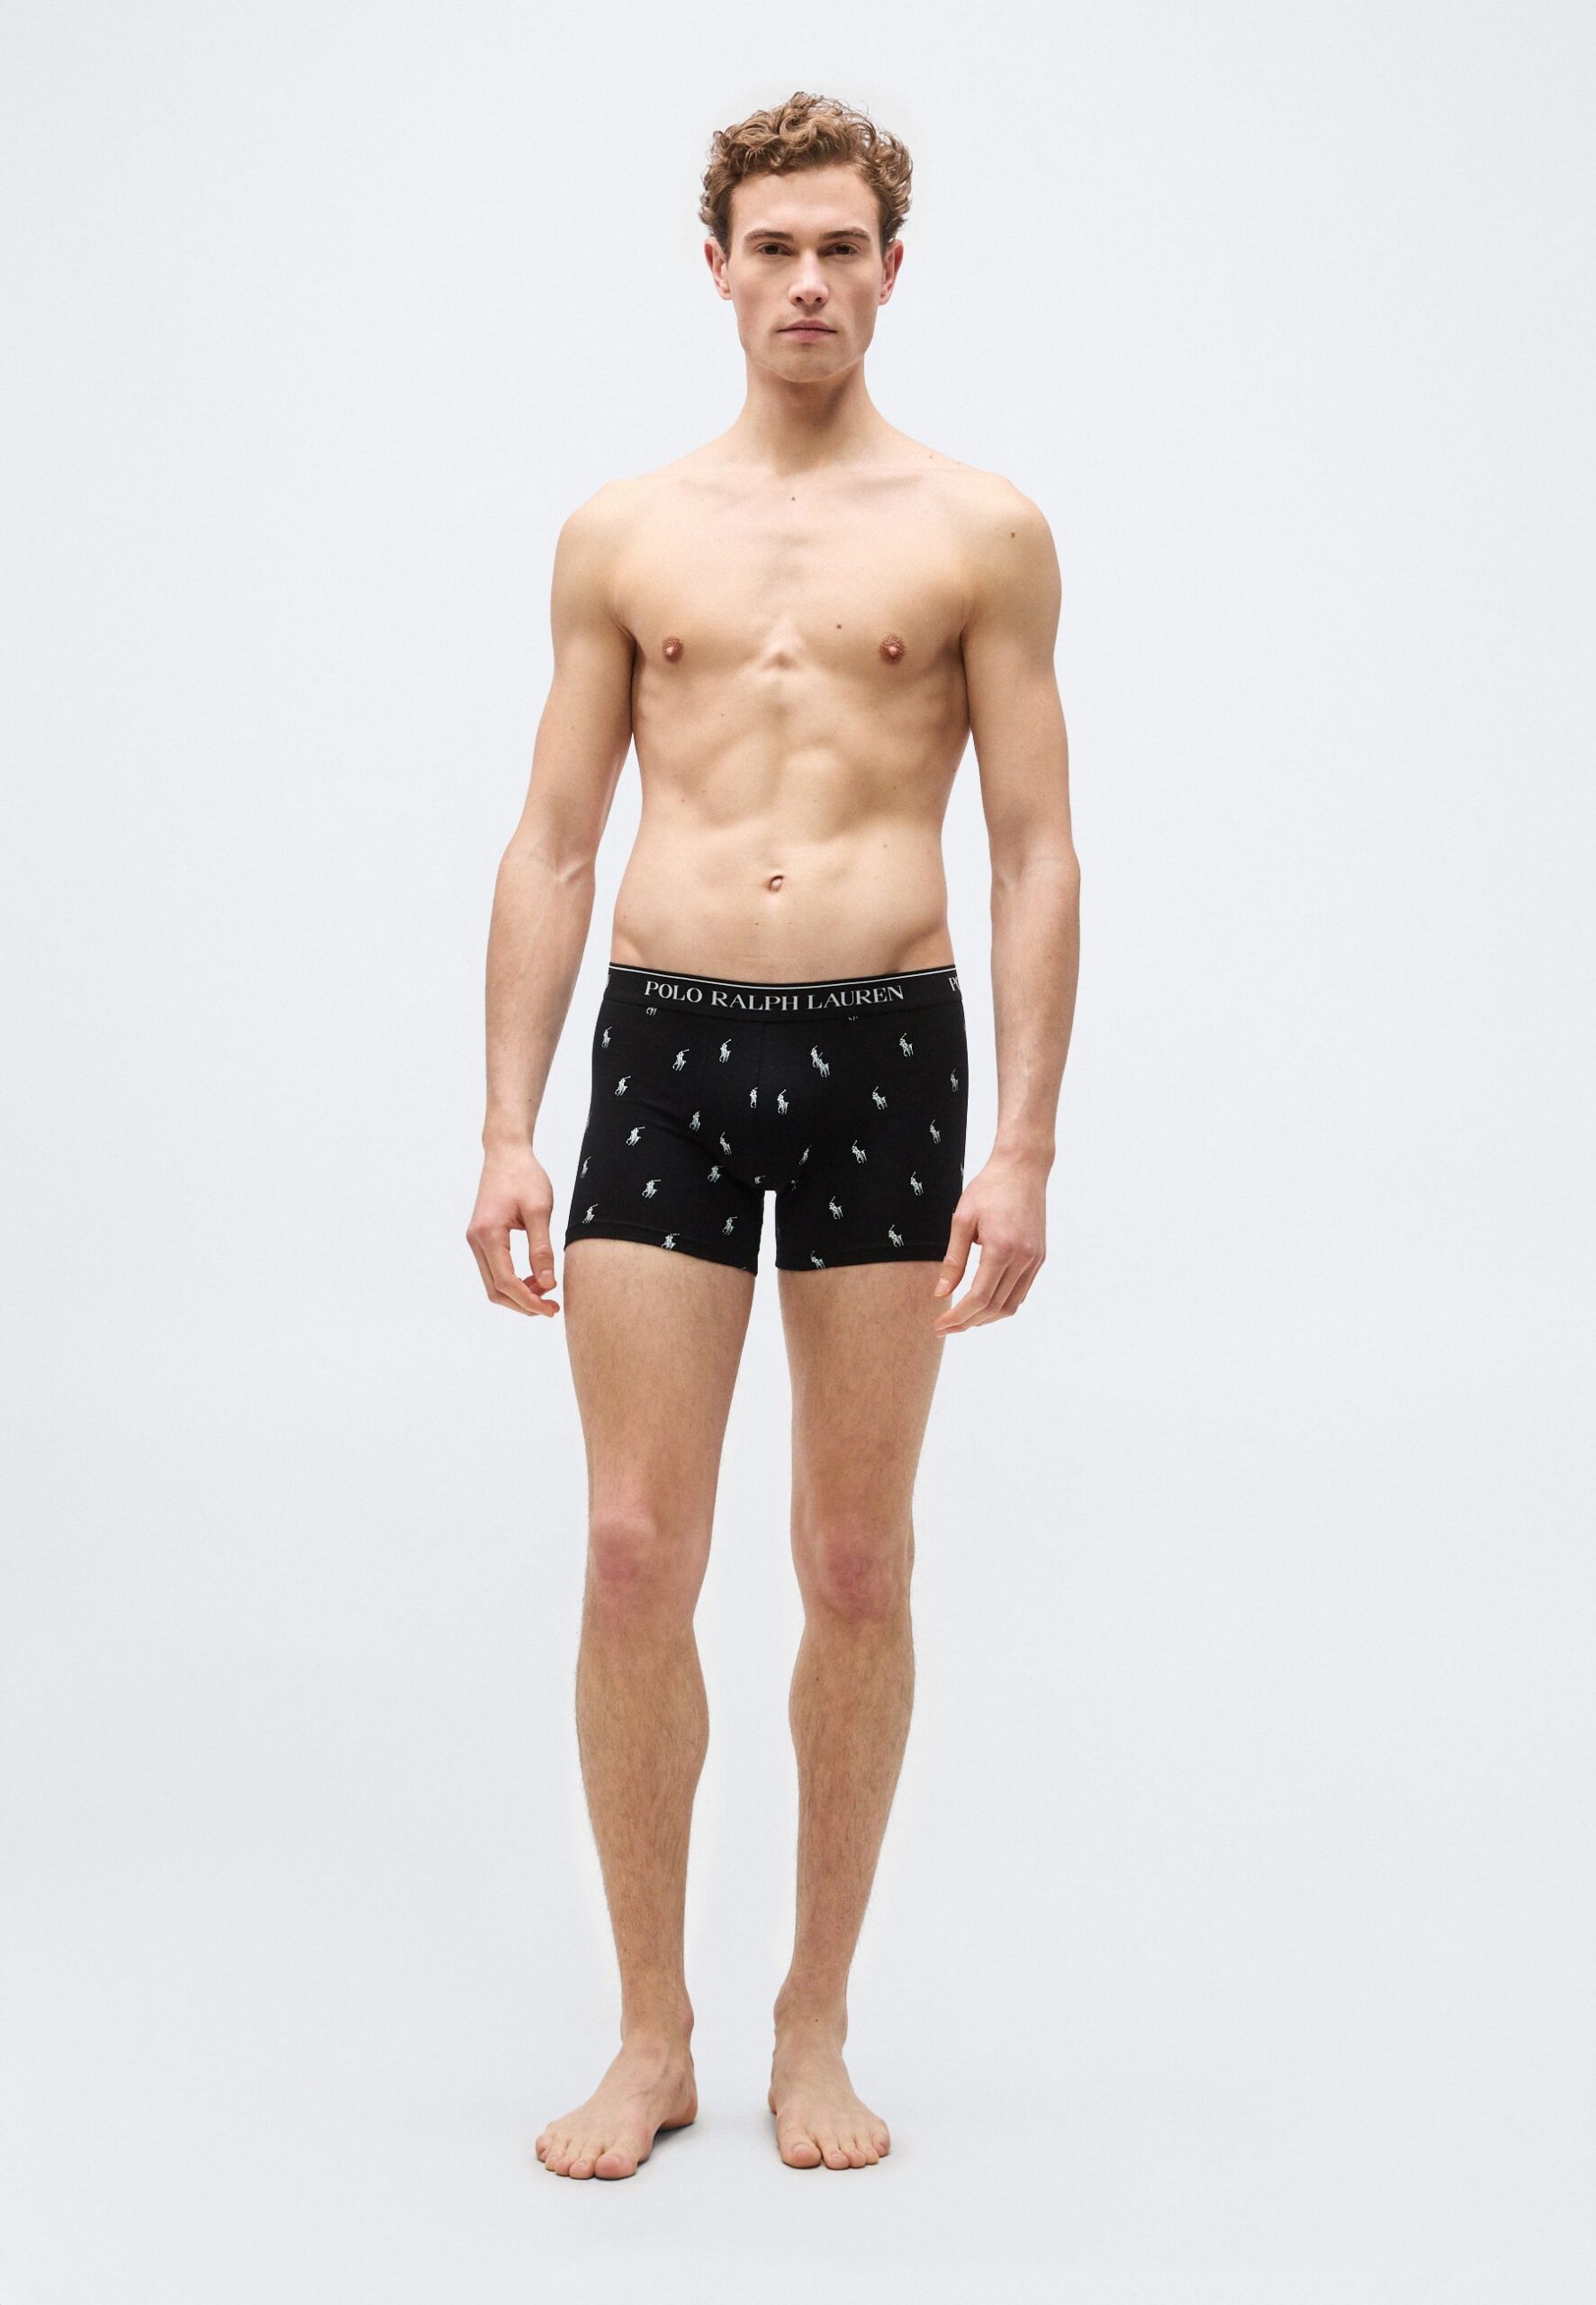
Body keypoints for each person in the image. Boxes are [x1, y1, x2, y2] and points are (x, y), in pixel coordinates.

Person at [466, 90, 1080, 2180]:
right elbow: (554, 840)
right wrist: (504, 1123)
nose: (805, 281)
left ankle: (813, 2015)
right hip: (664, 1040)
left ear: (890, 271)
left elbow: (1033, 849)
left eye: (839, 248)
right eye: (771, 247)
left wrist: (1024, 1141)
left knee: (852, 1556)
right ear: (714, 267)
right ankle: (650, 2029)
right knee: (635, 1547)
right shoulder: (622, 533)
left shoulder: (978, 529)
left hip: (885, 1049)